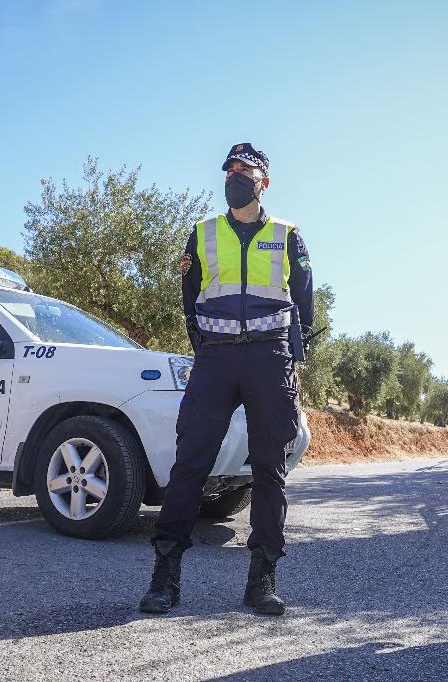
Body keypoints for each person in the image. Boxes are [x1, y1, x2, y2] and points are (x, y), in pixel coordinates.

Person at [139, 142, 313, 617]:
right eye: (230, 169)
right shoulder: (203, 233)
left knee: (268, 469)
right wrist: (205, 346)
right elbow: (188, 295)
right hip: (215, 361)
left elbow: (305, 300)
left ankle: (262, 580)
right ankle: (165, 577)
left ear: (264, 180)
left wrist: (293, 354)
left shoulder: (287, 235)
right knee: (190, 463)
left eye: (245, 170)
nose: (235, 175)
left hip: (268, 360)